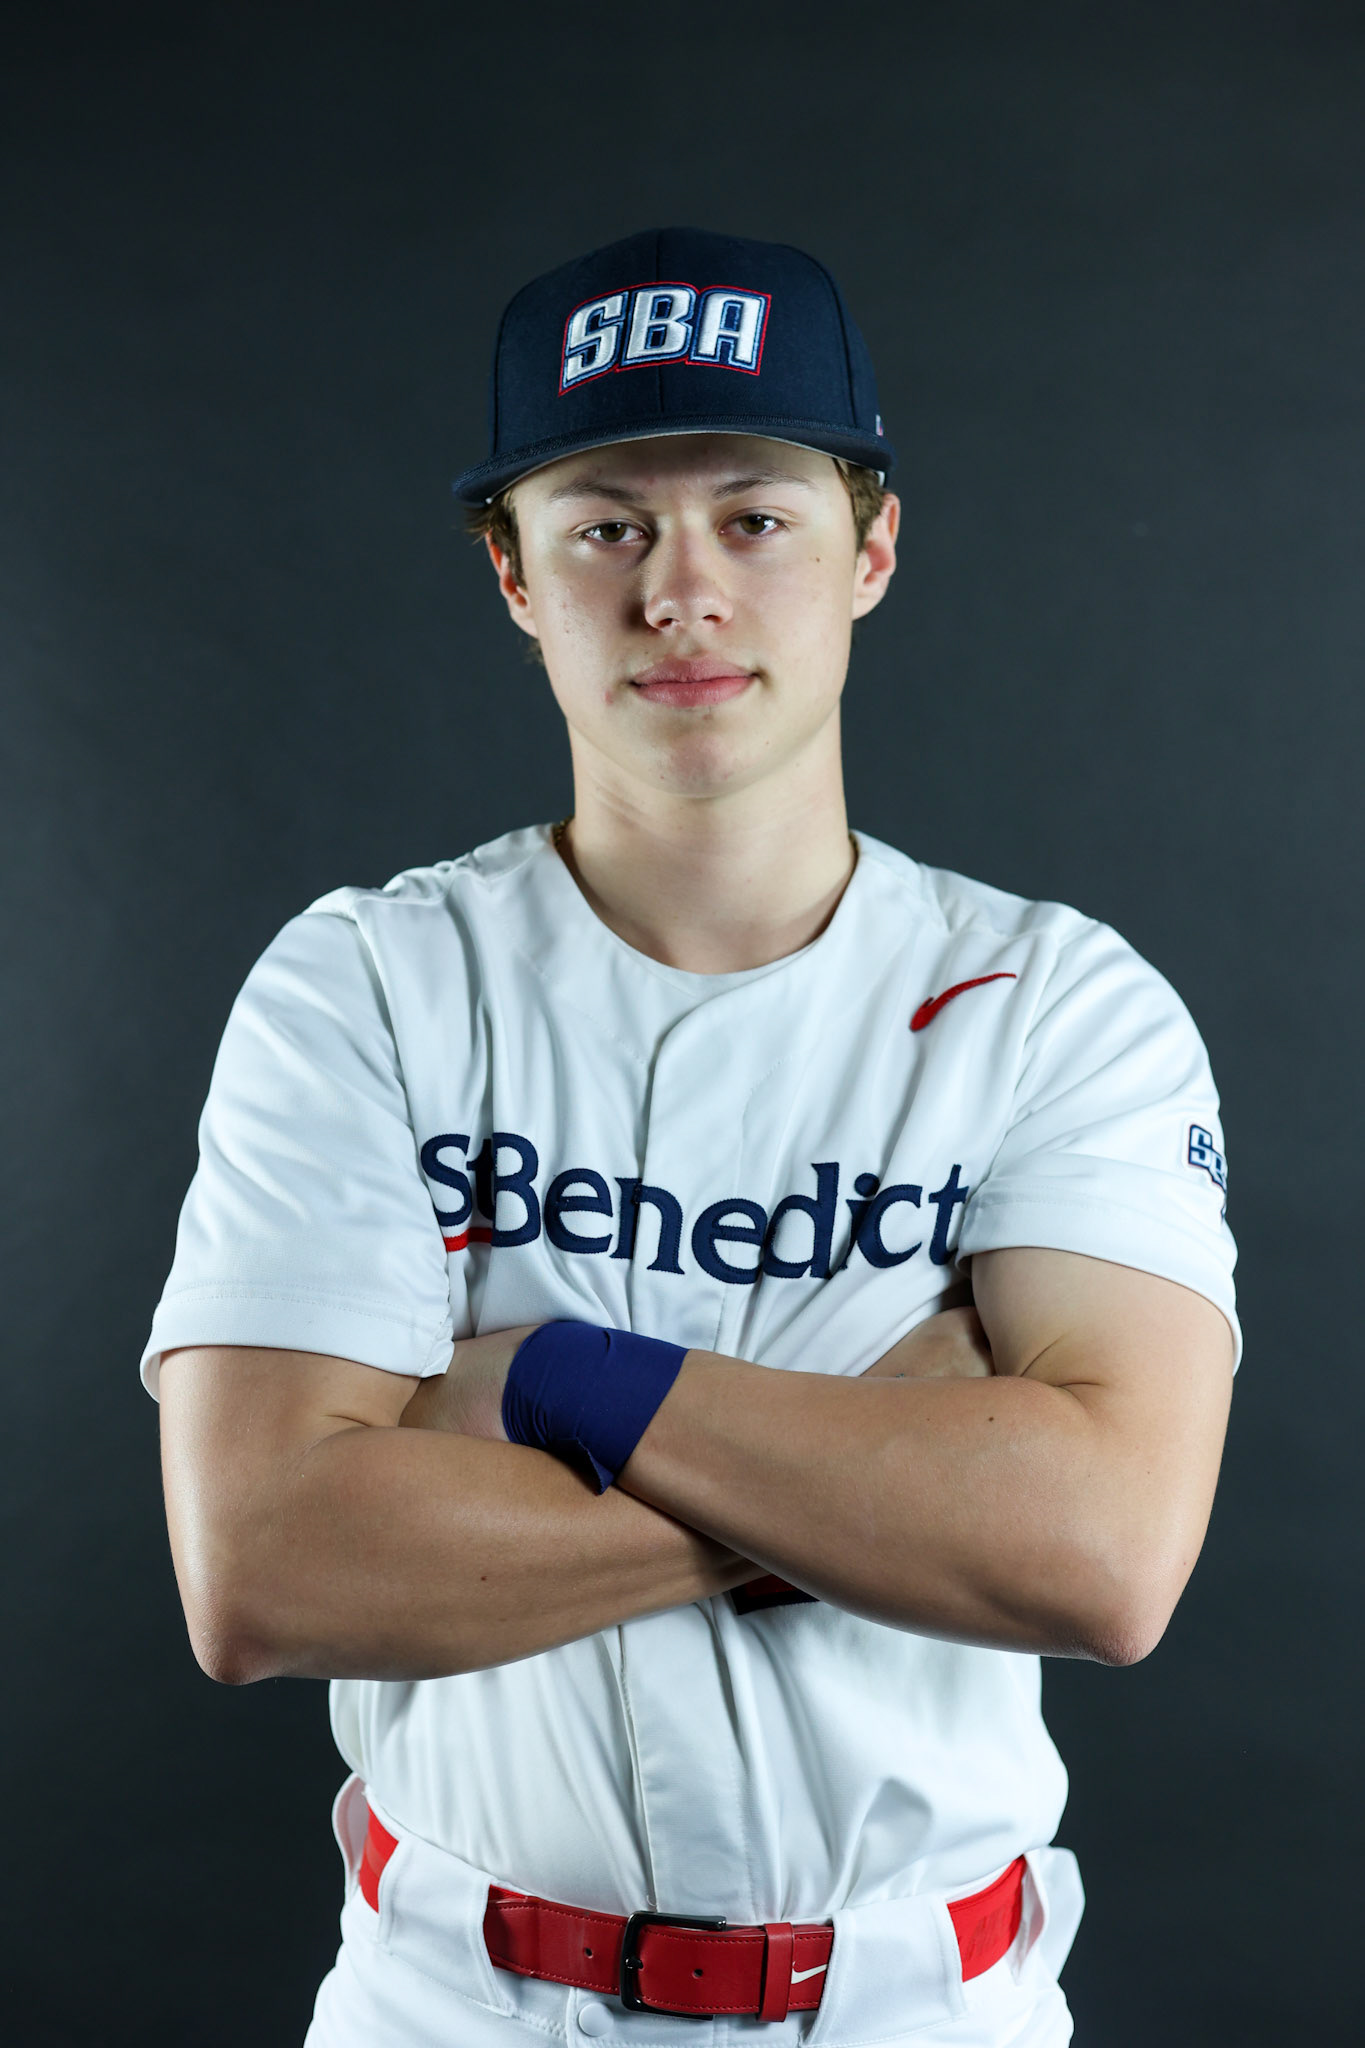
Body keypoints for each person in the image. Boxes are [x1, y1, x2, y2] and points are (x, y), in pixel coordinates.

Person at [145, 227, 1238, 2048]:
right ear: (511, 573)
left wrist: (558, 1380)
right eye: (604, 525)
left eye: (755, 516)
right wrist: (888, 1455)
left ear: (867, 550)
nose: (682, 591)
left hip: (921, 2006)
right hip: (458, 2000)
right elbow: (265, 1569)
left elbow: (1098, 1557)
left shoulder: (1057, 1001)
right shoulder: (368, 984)